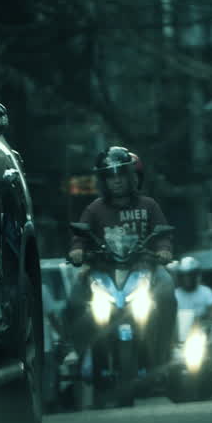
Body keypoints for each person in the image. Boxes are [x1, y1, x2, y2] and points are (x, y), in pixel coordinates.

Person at [66, 145, 177, 380]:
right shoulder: (94, 209)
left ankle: (166, 348)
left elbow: (163, 234)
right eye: (110, 177)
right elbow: (80, 237)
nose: (116, 181)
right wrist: (77, 251)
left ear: (130, 177)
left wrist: (164, 251)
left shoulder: (149, 205)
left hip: (145, 268)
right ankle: (76, 352)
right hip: (103, 271)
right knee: (74, 300)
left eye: (120, 175)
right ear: (103, 181)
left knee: (167, 290)